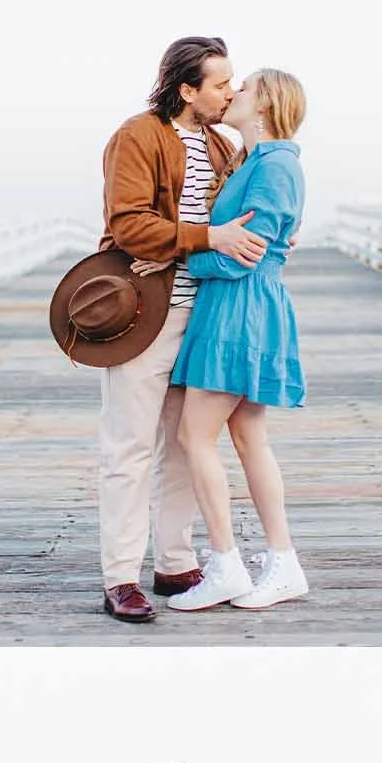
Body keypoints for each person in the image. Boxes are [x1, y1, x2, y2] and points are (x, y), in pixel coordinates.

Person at [95, 38, 268, 623]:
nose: (231, 92)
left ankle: (173, 562)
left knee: (188, 446)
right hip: (148, 315)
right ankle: (120, 577)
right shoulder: (138, 136)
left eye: (232, 82)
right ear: (186, 89)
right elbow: (129, 225)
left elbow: (241, 217)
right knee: (130, 448)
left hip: (207, 318)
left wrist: (267, 240)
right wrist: (205, 239)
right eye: (220, 84)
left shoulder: (223, 145)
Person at [165, 71, 310, 613]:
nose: (231, 95)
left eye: (242, 88)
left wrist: (183, 255)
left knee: (194, 436)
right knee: (249, 439)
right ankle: (282, 563)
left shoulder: (276, 164)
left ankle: (227, 563)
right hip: (236, 305)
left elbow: (244, 252)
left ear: (266, 103)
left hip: (240, 306)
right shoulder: (254, 162)